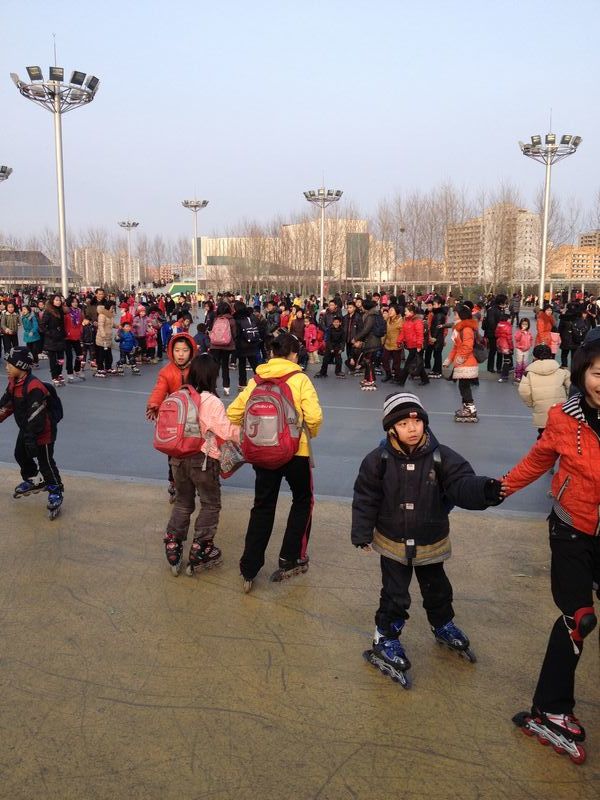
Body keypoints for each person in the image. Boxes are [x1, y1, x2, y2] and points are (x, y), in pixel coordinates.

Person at [351, 392, 503, 686]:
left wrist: (484, 489)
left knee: (438, 589)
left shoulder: (440, 456)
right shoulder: (378, 460)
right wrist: (361, 532)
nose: (413, 428)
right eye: (405, 423)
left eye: (418, 421)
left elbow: (462, 483)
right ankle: (385, 637)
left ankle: (442, 623)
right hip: (393, 543)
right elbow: (365, 498)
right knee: (395, 595)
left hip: (430, 540)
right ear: (390, 427)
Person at [502, 336, 600, 763]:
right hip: (571, 528)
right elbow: (537, 461)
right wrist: (499, 488)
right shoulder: (564, 418)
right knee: (579, 618)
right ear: (581, 374)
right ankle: (551, 709)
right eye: (598, 372)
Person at [226, 331, 323, 593]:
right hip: (295, 453)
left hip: (262, 453)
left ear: (271, 353)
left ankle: (249, 567)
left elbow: (233, 412)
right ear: (294, 354)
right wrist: (303, 434)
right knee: (303, 500)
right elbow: (314, 417)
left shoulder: (257, 380)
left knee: (263, 506)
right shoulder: (299, 379)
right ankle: (290, 558)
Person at [163, 354, 240, 576]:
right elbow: (225, 432)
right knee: (210, 503)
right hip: (203, 460)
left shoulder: (180, 395)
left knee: (183, 503)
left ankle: (173, 543)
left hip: (178, 459)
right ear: (212, 375)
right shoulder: (211, 400)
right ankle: (202, 547)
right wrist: (242, 431)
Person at [0, 347, 63, 516]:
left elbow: (36, 417)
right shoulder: (14, 383)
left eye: (10, 364)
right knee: (20, 454)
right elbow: (6, 405)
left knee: (46, 463)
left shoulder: (34, 387)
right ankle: (35, 478)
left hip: (43, 431)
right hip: (27, 429)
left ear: (20, 365)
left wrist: (30, 438)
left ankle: (56, 490)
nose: (6, 367)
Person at [146, 332, 198, 501]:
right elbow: (159, 390)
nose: (181, 354)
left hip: (194, 417)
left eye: (184, 350)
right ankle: (174, 482)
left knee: (195, 450)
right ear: (171, 351)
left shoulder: (196, 369)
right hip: (175, 418)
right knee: (174, 453)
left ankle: (196, 481)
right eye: (177, 350)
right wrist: (154, 404)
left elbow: (206, 387)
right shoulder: (166, 371)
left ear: (191, 351)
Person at [517, 344, 570, 438]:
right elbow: (572, 387)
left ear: (534, 356)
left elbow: (524, 391)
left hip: (541, 410)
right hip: (560, 410)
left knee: (543, 436)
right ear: (551, 355)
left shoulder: (529, 373)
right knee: (559, 436)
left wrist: (532, 403)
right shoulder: (562, 371)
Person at [444, 304, 480, 422]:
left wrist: (460, 358)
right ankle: (467, 408)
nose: (454, 316)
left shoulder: (466, 329)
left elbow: (468, 346)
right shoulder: (459, 329)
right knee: (463, 386)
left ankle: (471, 408)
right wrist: (449, 360)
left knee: (464, 387)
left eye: (455, 313)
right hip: (462, 363)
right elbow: (456, 347)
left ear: (461, 314)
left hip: (467, 363)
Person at [352, 299, 383, 391]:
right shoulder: (373, 314)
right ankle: (367, 378)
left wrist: (356, 338)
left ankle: (371, 379)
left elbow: (366, 330)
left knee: (368, 361)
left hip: (372, 342)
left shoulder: (370, 316)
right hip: (371, 341)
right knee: (367, 360)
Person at [395, 304, 429, 387]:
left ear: (411, 312)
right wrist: (399, 341)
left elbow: (420, 334)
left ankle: (401, 381)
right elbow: (403, 332)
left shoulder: (417, 321)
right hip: (410, 346)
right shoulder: (406, 320)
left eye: (406, 311)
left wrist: (418, 345)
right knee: (418, 363)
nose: (404, 312)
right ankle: (425, 379)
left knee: (408, 364)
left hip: (416, 346)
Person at [209, 301, 236, 397]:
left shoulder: (216, 319)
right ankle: (226, 388)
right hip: (227, 346)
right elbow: (234, 334)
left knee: (214, 366)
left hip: (215, 346)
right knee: (225, 367)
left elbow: (212, 330)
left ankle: (213, 386)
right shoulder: (231, 320)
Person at [39, 294, 66, 386]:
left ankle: (59, 373)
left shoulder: (61, 310)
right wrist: (50, 333)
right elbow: (42, 326)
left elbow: (62, 324)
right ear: (52, 301)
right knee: (53, 360)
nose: (58, 302)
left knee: (61, 359)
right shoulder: (48, 311)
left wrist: (63, 333)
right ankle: (54, 376)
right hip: (52, 339)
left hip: (61, 338)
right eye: (56, 300)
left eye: (59, 300)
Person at [64, 295, 85, 383]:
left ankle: (77, 370)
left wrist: (81, 330)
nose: (75, 303)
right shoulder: (66, 312)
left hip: (76, 336)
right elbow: (63, 324)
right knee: (69, 357)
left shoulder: (80, 311)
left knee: (80, 355)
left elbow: (81, 322)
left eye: (76, 302)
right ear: (69, 303)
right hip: (67, 337)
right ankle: (69, 374)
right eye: (73, 302)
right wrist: (66, 332)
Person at [381, 304, 403, 383]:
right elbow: (385, 332)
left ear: (396, 312)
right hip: (387, 344)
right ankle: (388, 374)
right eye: (389, 310)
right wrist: (382, 342)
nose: (389, 311)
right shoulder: (388, 319)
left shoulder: (400, 320)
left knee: (396, 363)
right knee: (384, 359)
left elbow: (402, 333)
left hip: (396, 344)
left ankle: (397, 377)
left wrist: (400, 342)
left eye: (392, 310)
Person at [95, 301, 116, 378]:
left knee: (108, 354)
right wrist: (103, 335)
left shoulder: (110, 315)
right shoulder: (102, 315)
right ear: (108, 308)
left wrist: (118, 326)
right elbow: (100, 325)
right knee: (101, 354)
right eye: (112, 308)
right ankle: (100, 369)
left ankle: (108, 367)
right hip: (102, 338)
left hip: (108, 338)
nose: (113, 309)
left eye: (113, 308)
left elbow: (111, 324)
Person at [494, 313, 514, 382]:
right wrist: (511, 347)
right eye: (510, 318)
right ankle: (504, 375)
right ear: (507, 319)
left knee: (502, 358)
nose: (511, 320)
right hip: (506, 344)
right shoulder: (508, 326)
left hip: (499, 343)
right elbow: (509, 338)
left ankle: (502, 370)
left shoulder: (498, 325)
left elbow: (496, 334)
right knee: (506, 360)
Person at [513, 317, 533, 383]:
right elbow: (517, 338)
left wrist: (530, 345)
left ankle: (523, 375)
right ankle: (517, 375)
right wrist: (521, 332)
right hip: (520, 349)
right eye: (523, 324)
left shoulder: (529, 333)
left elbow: (531, 339)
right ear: (520, 325)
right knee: (519, 362)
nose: (524, 326)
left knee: (525, 363)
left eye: (526, 324)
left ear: (528, 325)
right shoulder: (519, 332)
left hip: (526, 350)